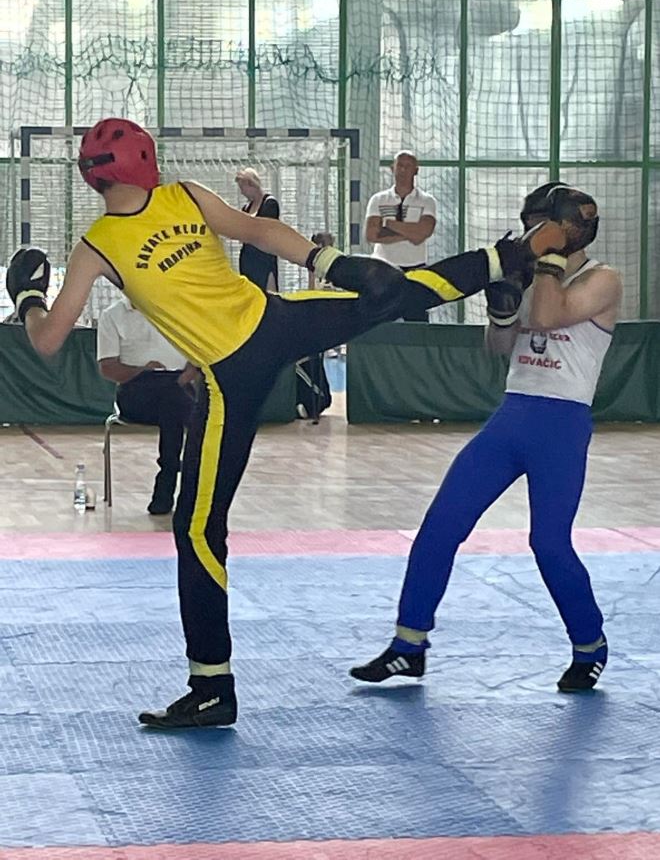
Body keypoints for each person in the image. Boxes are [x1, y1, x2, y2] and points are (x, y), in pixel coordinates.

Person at [6, 118, 568, 729]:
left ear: (91, 177)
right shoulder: (175, 199)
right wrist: (332, 262)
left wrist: (29, 299)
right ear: (145, 160)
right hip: (272, 328)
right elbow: (261, 230)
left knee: (198, 531)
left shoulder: (100, 243)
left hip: (235, 368)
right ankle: (511, 257)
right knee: (390, 294)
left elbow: (48, 338)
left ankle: (211, 686)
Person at [351, 182, 622, 693]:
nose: (532, 236)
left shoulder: (603, 278)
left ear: (570, 228)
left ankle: (590, 645)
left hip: (561, 425)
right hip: (513, 415)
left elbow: (548, 316)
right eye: (531, 227)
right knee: (439, 527)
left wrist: (544, 265)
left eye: (542, 227)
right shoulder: (536, 274)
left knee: (549, 543)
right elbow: (498, 346)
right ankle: (409, 645)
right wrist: (501, 311)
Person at [97, 295, 197, 515]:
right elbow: (108, 368)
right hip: (137, 388)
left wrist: (186, 375)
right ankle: (182, 484)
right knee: (181, 407)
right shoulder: (113, 315)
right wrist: (142, 370)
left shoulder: (181, 309)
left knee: (173, 402)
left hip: (178, 383)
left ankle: (168, 480)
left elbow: (199, 357)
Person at [364, 150, 437, 321]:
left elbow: (423, 233)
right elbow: (371, 234)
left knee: (416, 319)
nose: (403, 170)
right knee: (380, 319)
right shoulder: (378, 199)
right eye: (400, 166)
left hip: (415, 269)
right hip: (382, 268)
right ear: (392, 168)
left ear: (416, 170)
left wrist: (388, 224)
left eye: (408, 166)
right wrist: (411, 232)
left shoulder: (427, 201)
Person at [236, 168, 279, 291]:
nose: (242, 192)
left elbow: (264, 230)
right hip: (248, 260)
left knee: (268, 293)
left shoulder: (269, 204)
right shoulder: (246, 208)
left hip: (264, 259)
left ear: (251, 184)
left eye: (242, 188)